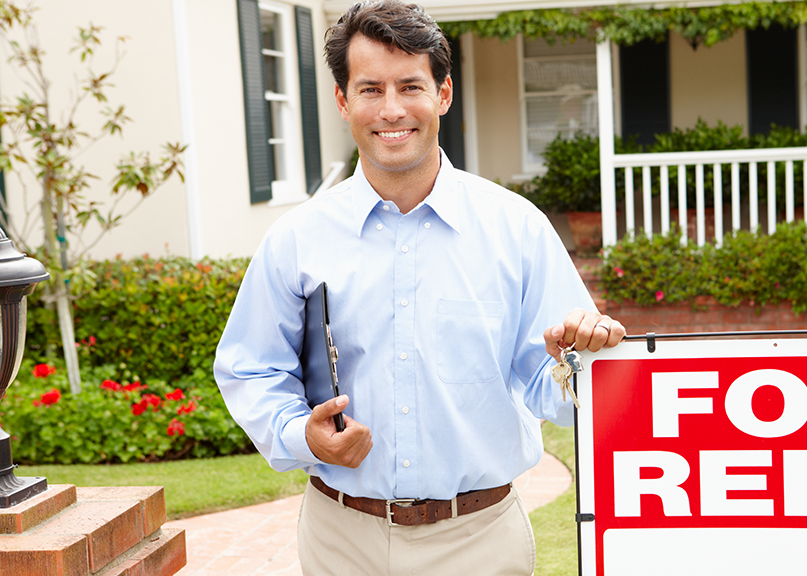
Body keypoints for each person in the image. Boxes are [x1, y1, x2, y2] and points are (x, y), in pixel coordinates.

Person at [213, 1, 625, 574]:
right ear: (342, 101)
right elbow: (250, 367)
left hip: (480, 541)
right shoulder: (297, 239)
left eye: (410, 86)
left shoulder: (517, 228)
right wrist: (299, 435)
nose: (391, 110)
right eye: (369, 89)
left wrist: (574, 361)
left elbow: (554, 389)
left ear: (443, 94)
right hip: (341, 539)